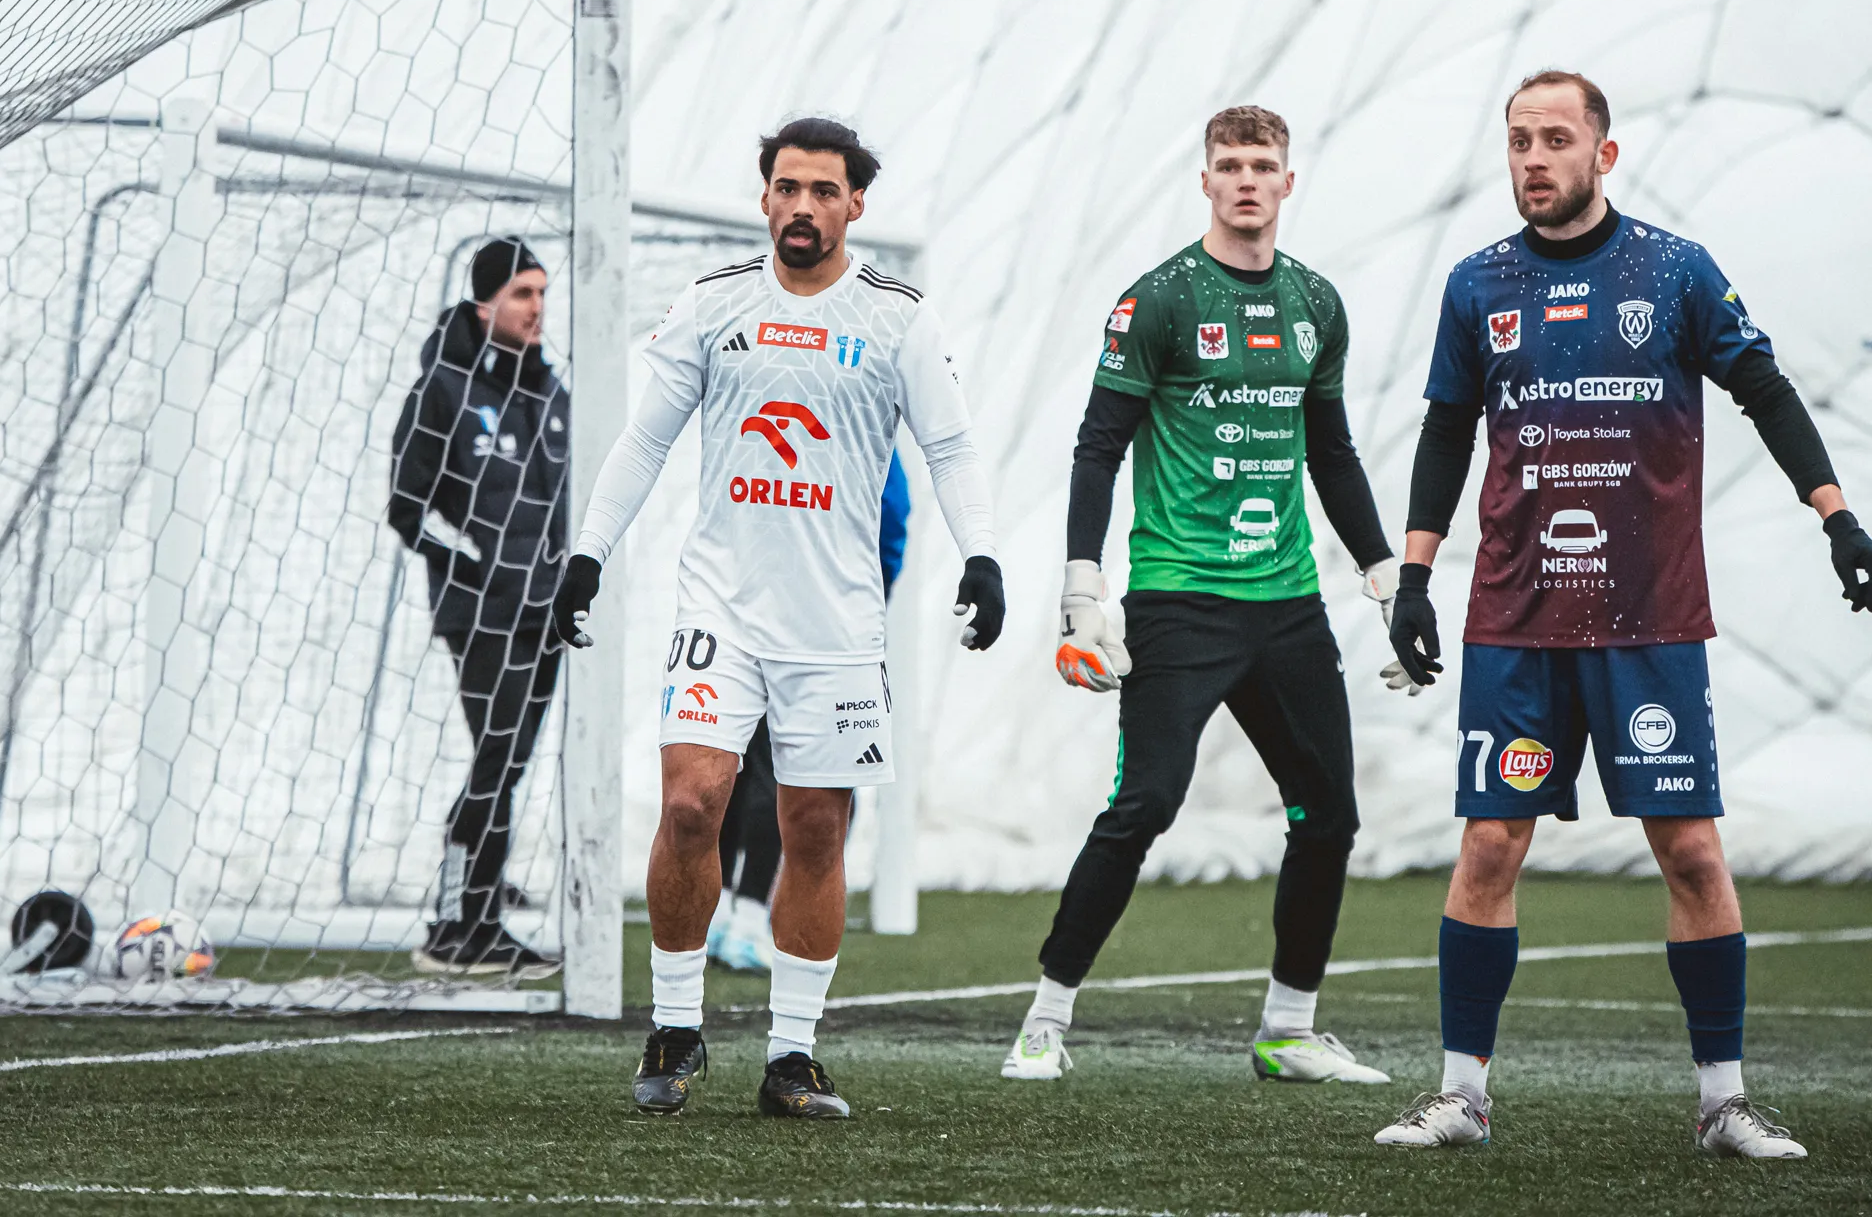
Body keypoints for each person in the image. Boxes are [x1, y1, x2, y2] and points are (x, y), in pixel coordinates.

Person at [1374, 70, 1872, 1156]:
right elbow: (1447, 430)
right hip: (1516, 621)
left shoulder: (1675, 271)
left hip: (1650, 622)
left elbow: (1766, 389)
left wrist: (1837, 518)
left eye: (1556, 139)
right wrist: (1413, 578)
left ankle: (1723, 1102)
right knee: (1489, 844)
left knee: (1690, 850)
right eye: (1519, 140)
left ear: (1604, 154)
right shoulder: (1477, 283)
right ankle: (1461, 1095)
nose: (1533, 158)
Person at [552, 118, 1004, 1118]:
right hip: (721, 605)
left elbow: (952, 448)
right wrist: (588, 552)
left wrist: (983, 554)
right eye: (787, 187)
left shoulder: (897, 317)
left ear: (855, 205)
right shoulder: (714, 302)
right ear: (764, 197)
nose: (802, 206)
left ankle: (792, 1056)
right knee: (690, 803)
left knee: (815, 828)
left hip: (837, 623)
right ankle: (675, 1026)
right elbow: (644, 441)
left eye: (823, 190)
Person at [1002, 106, 1409, 1085]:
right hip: (1181, 598)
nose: (1246, 180)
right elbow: (1098, 445)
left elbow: (1331, 451)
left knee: (1330, 813)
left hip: (1289, 603)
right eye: (1230, 164)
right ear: (1206, 181)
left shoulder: (1317, 302)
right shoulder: (1160, 300)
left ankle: (1288, 1030)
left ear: (1287, 181)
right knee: (1145, 802)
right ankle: (1045, 1020)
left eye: (1263, 164)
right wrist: (1082, 583)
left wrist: (1388, 578)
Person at [388, 237, 567, 979]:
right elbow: (408, 510)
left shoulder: (551, 393)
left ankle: (472, 916)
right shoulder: (441, 390)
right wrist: (481, 565)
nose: (537, 307)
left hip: (548, 613)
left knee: (510, 762)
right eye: (523, 293)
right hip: (483, 612)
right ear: (483, 303)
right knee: (498, 756)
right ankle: (461, 925)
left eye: (543, 293)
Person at [707, 451, 913, 974]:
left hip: (745, 607)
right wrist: (869, 596)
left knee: (740, 762)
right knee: (793, 772)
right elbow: (891, 520)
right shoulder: (863, 436)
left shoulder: (768, 429)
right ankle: (750, 918)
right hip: (826, 627)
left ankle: (721, 911)